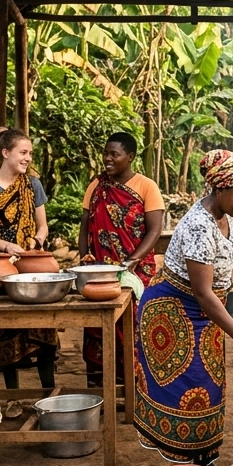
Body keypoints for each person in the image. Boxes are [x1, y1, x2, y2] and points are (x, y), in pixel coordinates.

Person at [135, 149, 233, 466]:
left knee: (210, 385)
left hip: (204, 314)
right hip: (175, 311)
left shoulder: (223, 216)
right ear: (219, 189)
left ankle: (202, 462)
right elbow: (203, 293)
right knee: (191, 389)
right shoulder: (198, 226)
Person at [0, 128, 56, 390]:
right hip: (1, 267)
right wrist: (6, 246)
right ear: (5, 153)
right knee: (5, 329)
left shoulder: (33, 185)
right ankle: (12, 396)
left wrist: (37, 239)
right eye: (23, 152)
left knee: (43, 330)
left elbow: (43, 226)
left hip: (32, 266)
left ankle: (49, 393)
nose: (28, 158)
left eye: (29, 153)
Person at [77, 131, 165, 385]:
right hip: (99, 272)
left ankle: (135, 386)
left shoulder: (147, 186)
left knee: (134, 325)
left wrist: (133, 261)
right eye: (105, 153)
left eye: (114, 154)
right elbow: (85, 226)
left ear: (130, 157)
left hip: (136, 271)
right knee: (96, 325)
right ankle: (98, 388)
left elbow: (154, 230)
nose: (107, 159)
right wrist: (85, 258)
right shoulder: (96, 186)